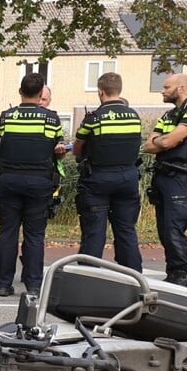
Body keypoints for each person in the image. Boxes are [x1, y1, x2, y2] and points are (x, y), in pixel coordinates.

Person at [0, 73, 66, 297]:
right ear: (41, 92)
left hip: (9, 180)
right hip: (39, 182)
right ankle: (33, 285)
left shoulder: (7, 117)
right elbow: (56, 148)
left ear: (20, 91)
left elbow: (4, 143)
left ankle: (3, 284)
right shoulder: (51, 119)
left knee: (7, 232)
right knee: (34, 234)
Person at [143, 72, 187, 286]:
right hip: (162, 174)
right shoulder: (168, 115)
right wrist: (166, 142)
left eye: (166, 87)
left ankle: (180, 275)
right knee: (163, 229)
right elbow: (150, 145)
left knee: (174, 228)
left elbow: (169, 141)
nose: (162, 91)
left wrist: (166, 141)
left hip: (180, 175)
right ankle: (172, 273)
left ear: (181, 88)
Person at [74, 72, 145, 270]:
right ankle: (133, 276)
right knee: (126, 230)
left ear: (100, 92)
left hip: (99, 179)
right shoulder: (134, 117)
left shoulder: (94, 118)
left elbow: (78, 149)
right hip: (128, 179)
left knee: (95, 231)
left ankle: (87, 277)